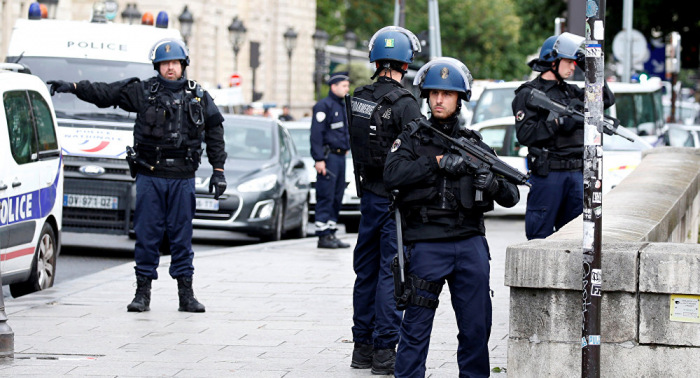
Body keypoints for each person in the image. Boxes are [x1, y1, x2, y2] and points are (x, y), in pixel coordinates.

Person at [47, 38, 227, 313]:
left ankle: (186, 295)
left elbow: (215, 133)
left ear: (183, 65)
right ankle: (142, 294)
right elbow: (105, 93)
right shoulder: (143, 92)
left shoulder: (199, 96)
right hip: (150, 176)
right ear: (157, 66)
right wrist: (73, 87)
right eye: (165, 63)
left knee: (181, 237)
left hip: (182, 178)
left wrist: (218, 171)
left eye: (175, 63)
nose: (170, 68)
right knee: (147, 235)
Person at [384, 57, 520, 378]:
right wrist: (438, 162)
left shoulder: (474, 144)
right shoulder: (412, 137)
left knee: (476, 330)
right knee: (415, 331)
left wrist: (492, 184)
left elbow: (512, 196)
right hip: (427, 244)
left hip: (469, 244)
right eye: (434, 94)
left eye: (447, 94)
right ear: (426, 97)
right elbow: (392, 175)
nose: (439, 100)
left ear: (460, 99)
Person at [347, 25, 423, 375]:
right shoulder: (407, 104)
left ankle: (360, 350)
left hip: (368, 198)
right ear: (405, 64)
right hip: (395, 202)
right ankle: (383, 353)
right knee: (391, 275)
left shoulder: (358, 97)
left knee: (365, 272)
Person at [512, 32, 614, 240]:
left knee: (576, 238)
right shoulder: (528, 94)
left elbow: (606, 100)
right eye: (569, 61)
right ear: (552, 61)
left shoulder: (572, 92)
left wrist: (591, 69)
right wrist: (559, 123)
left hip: (577, 173)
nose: (573, 66)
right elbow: (525, 134)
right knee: (539, 238)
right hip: (549, 174)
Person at [310, 71, 351, 249]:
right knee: (326, 195)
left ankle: (331, 232)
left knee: (337, 196)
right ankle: (322, 235)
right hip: (328, 158)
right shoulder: (323, 106)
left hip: (341, 157)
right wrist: (319, 159)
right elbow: (316, 135)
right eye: (344, 85)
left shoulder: (342, 106)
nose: (347, 89)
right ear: (333, 87)